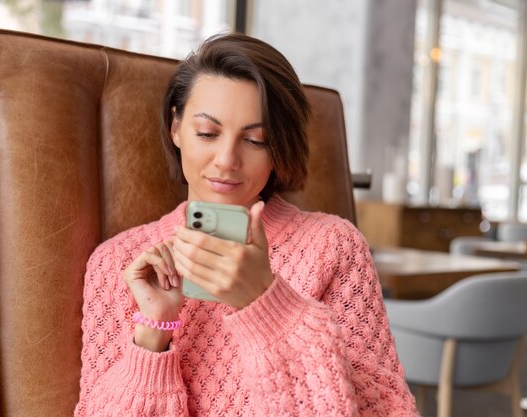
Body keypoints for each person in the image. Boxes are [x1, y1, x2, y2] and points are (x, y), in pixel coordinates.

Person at [74, 33, 419, 416]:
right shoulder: (118, 262)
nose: (226, 160)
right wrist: (154, 329)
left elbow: (385, 410)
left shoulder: (332, 246)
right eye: (207, 133)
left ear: (279, 149)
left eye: (255, 140)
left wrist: (267, 303)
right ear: (176, 128)